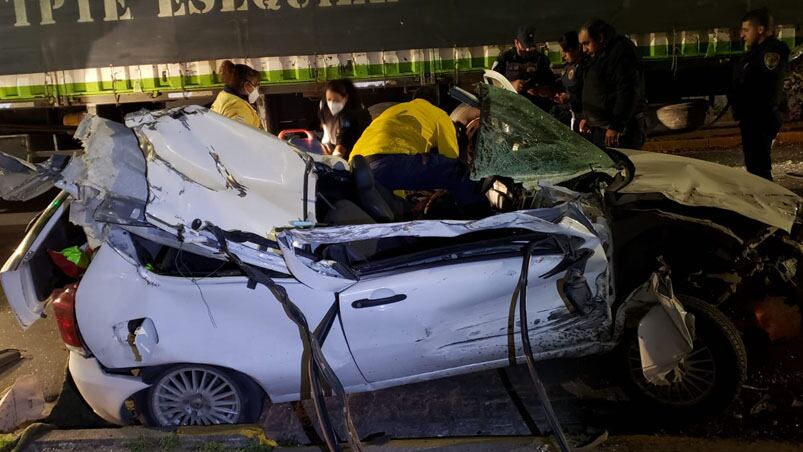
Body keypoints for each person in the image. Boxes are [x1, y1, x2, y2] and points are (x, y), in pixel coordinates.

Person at [349, 87, 485, 209]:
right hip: (388, 162)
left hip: (358, 167)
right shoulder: (437, 113)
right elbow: (451, 157)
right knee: (458, 172)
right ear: (434, 103)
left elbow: (393, 176)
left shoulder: (395, 110)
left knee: (401, 208)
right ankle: (483, 223)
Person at [729, 8, 790, 181]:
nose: (742, 35)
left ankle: (768, 203)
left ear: (760, 29)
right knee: (754, 166)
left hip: (760, 118)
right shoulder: (756, 53)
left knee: (759, 169)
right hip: (752, 118)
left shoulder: (771, 53)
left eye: (746, 30)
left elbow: (767, 88)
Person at [578, 19, 646, 149]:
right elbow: (594, 88)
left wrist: (616, 126)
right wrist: (587, 118)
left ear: (600, 38)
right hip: (600, 128)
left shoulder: (621, 52)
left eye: (587, 43)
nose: (584, 49)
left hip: (619, 132)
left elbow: (628, 91)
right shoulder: (598, 55)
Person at [492, 25, 556, 111]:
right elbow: (492, 82)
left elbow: (551, 84)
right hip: (512, 108)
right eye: (523, 48)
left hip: (536, 108)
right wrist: (511, 86)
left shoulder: (540, 59)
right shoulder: (505, 59)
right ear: (516, 43)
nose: (526, 51)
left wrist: (539, 90)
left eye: (529, 47)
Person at [318, 79, 371, 159]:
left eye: (336, 100)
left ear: (345, 98)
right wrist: (327, 141)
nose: (332, 104)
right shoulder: (324, 106)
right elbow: (324, 123)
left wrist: (335, 159)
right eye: (329, 99)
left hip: (359, 153)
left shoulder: (351, 116)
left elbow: (341, 146)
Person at [211, 60, 262, 129]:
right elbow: (240, 136)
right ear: (246, 85)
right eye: (255, 84)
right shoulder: (237, 107)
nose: (256, 88)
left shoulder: (224, 96)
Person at [553, 31, 586, 130]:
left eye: (566, 51)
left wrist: (569, 97)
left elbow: (589, 95)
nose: (563, 55)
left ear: (577, 48)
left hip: (583, 118)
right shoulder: (568, 66)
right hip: (569, 114)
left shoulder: (585, 67)